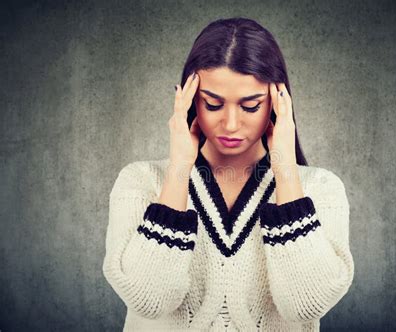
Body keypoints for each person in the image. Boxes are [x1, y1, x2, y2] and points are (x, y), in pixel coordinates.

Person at [102, 17, 354, 332]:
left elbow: (306, 304)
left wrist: (286, 171)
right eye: (213, 104)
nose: (231, 124)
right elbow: (149, 301)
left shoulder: (321, 189)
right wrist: (179, 170)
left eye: (250, 106)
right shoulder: (140, 182)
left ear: (277, 102)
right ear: (191, 100)